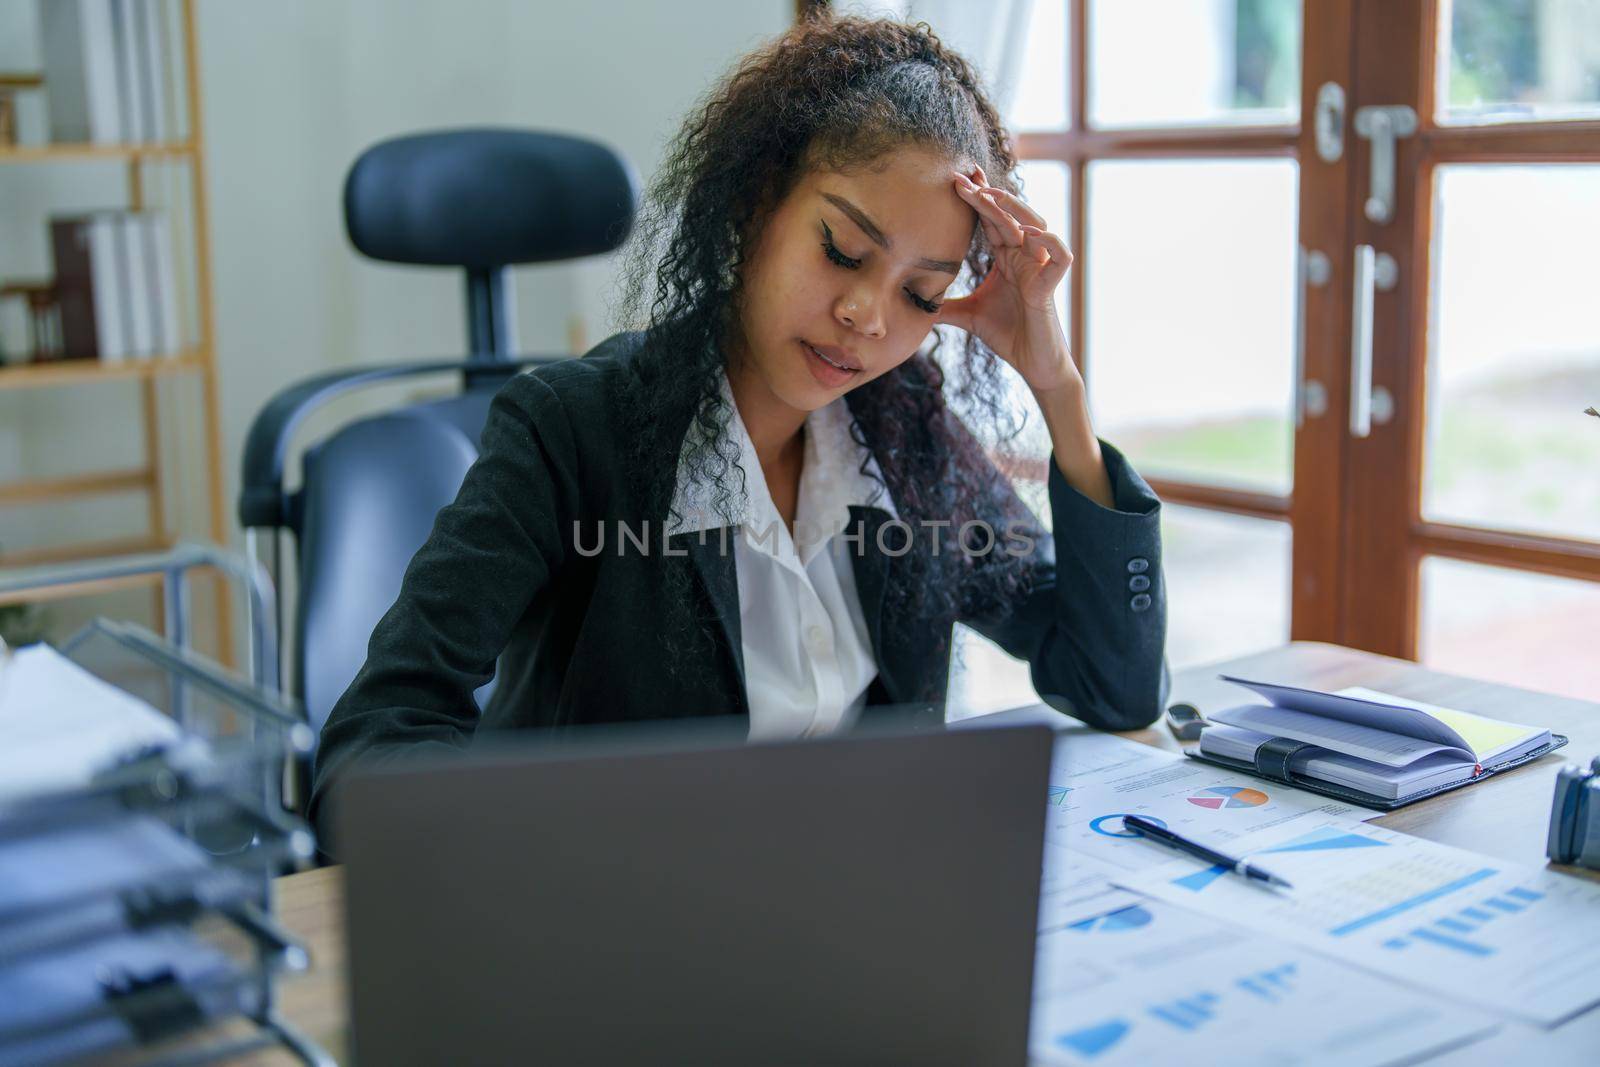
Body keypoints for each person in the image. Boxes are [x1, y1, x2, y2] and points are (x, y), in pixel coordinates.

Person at [309, 15, 1167, 836]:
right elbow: (372, 746)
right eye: (841, 250)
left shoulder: (906, 439)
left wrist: (1058, 390)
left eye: (920, 294)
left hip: (852, 925)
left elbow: (1112, 683)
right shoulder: (572, 430)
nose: (868, 315)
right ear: (758, 204)